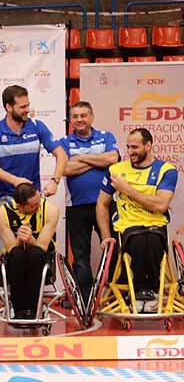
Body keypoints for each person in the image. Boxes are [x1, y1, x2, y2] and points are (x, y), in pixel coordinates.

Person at [97, 128, 178, 313]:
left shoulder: (166, 170)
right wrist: (105, 236)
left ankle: (150, 289)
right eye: (128, 147)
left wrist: (126, 189)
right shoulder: (116, 170)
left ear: (148, 146)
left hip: (156, 225)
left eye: (135, 147)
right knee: (141, 239)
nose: (130, 151)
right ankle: (142, 290)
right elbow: (101, 204)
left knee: (151, 238)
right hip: (128, 227)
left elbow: (160, 205)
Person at [61, 101, 120, 299]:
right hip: (76, 206)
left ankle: (114, 294)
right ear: (71, 120)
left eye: (83, 115)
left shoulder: (106, 136)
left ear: (91, 117)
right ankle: (84, 299)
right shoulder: (64, 142)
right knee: (80, 257)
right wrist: (97, 160)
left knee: (112, 249)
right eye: (75, 116)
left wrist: (80, 159)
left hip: (105, 203)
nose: (79, 120)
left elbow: (112, 159)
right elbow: (65, 169)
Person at [0, 85, 68, 205]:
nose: (27, 110)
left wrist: (55, 181)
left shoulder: (37, 126)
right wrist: (15, 181)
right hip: (6, 199)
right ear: (8, 107)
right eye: (22, 107)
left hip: (34, 198)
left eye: (28, 105)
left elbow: (61, 154)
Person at [0, 182, 59, 319]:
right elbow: (11, 247)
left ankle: (33, 309)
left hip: (41, 256)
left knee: (35, 253)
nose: (39, 205)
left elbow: (42, 246)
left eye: (39, 200)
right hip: (15, 257)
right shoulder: (2, 213)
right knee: (17, 254)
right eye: (34, 205)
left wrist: (30, 240)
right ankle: (19, 310)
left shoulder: (51, 210)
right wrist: (20, 239)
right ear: (20, 206)